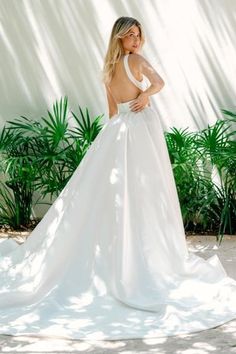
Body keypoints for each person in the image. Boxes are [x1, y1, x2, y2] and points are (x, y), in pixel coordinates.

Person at [0, 16, 236, 342]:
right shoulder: (135, 61)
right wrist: (146, 95)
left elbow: (112, 114)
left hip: (118, 133)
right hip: (140, 132)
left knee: (117, 193)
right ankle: (140, 252)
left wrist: (117, 132)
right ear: (120, 39)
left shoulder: (108, 71)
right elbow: (160, 82)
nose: (136, 41)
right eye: (130, 36)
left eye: (139, 35)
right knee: (145, 191)